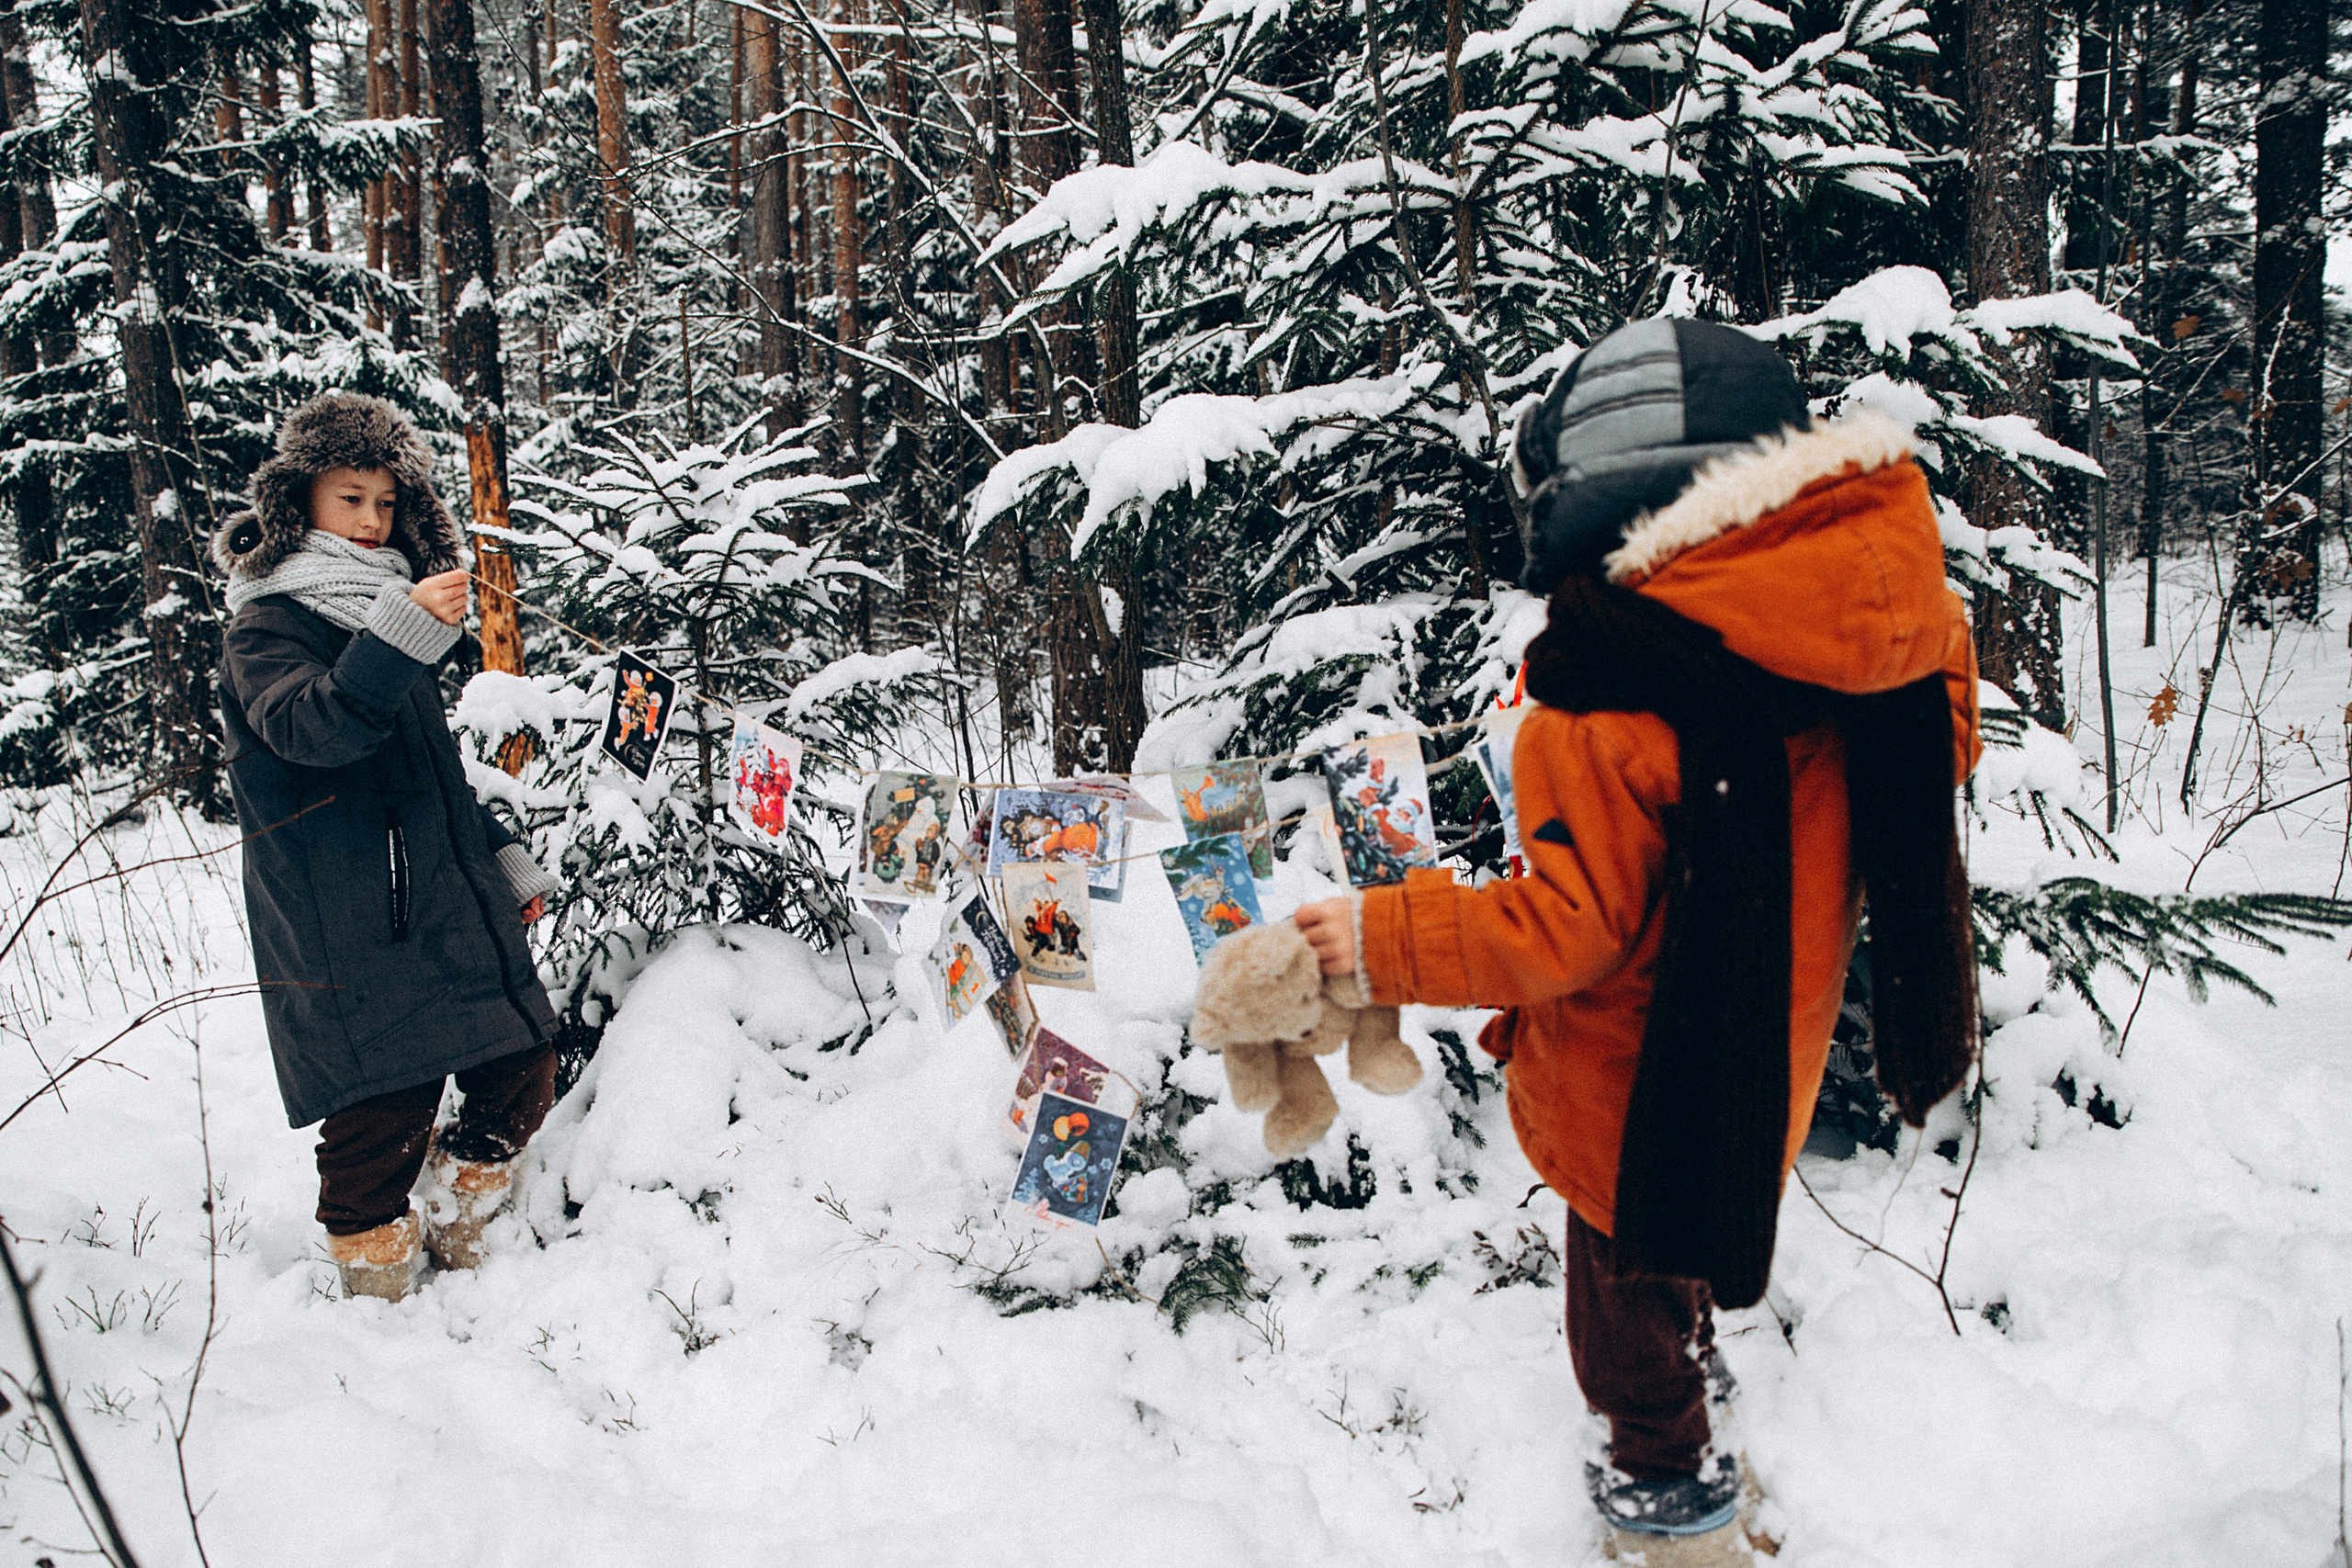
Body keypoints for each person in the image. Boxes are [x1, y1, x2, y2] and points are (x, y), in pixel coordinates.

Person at [1294, 320, 1981, 1564]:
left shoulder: (1612, 703)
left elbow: (1564, 929)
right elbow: (1938, 765)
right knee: (1677, 1271)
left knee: (1623, 1318)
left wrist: (1380, 934)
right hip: (1765, 1051)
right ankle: (1694, 1398)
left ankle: (1671, 1503)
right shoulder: (1885, 644)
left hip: (1634, 1091)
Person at [212, 393, 563, 1303]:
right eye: (349, 500)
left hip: (434, 894)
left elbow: (427, 777)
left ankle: (457, 1216)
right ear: (301, 507)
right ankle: (375, 1296)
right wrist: (399, 632)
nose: (372, 522)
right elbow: (312, 730)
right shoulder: (267, 628)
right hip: (345, 919)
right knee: (380, 1110)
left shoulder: (384, 608)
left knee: (520, 1060)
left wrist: (497, 858)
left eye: (385, 502)